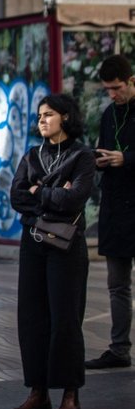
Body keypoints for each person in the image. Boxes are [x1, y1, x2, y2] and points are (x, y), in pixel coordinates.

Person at [10, 93, 94, 409]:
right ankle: (38, 391)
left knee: (66, 318)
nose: (42, 120)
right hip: (33, 242)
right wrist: (53, 195)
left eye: (48, 114)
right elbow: (17, 196)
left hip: (67, 246)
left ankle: (69, 393)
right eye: (40, 115)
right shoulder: (32, 155)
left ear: (65, 118)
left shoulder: (81, 156)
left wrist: (39, 193)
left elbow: (76, 199)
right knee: (32, 318)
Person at [85, 54, 135, 370]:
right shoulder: (108, 114)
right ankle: (119, 348)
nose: (113, 94)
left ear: (132, 81)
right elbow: (105, 147)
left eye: (117, 88)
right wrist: (101, 160)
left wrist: (126, 159)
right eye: (107, 90)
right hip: (116, 208)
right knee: (117, 284)